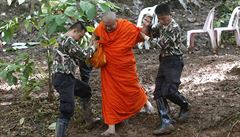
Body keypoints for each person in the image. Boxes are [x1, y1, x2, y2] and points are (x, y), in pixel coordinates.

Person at [92, 11, 154, 136]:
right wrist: (94, 47)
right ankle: (111, 127)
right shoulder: (101, 27)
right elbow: (95, 36)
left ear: (117, 21)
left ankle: (145, 102)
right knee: (109, 95)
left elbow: (142, 37)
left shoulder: (126, 27)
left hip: (125, 66)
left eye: (111, 26)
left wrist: (146, 26)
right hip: (109, 68)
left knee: (132, 88)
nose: (108, 28)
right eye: (106, 26)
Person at [141, 3, 190, 135]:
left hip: (174, 60)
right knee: (158, 92)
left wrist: (146, 38)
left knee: (169, 91)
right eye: (160, 19)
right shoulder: (161, 24)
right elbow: (152, 32)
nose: (163, 21)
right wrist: (147, 25)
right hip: (164, 60)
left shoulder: (174, 27)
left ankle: (185, 105)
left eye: (164, 18)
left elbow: (160, 43)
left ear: (170, 15)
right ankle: (166, 122)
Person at [52, 21, 97, 137]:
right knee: (67, 108)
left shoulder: (61, 39)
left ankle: (89, 120)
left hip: (65, 78)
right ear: (75, 31)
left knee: (85, 90)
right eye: (80, 36)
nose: (79, 39)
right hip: (63, 77)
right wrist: (93, 47)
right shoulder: (68, 40)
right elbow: (83, 55)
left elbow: (76, 54)